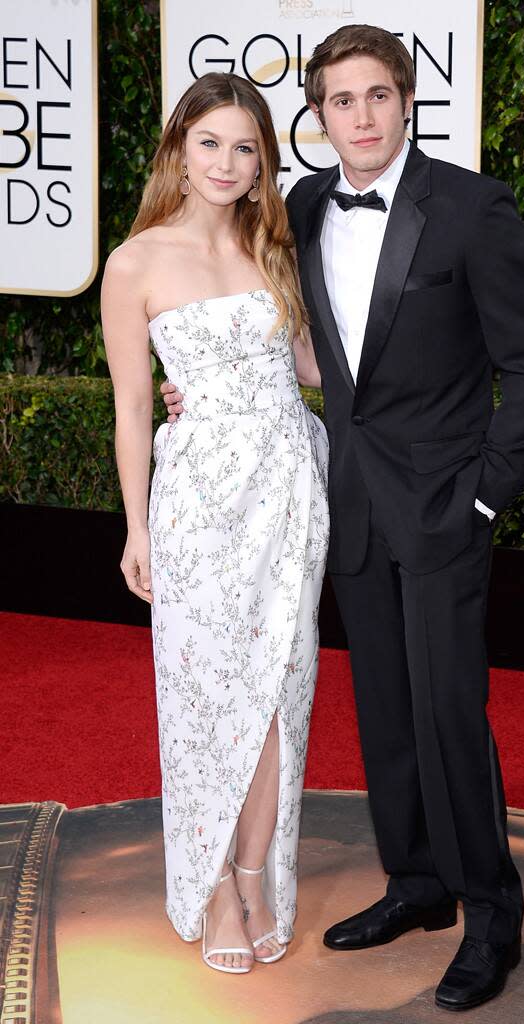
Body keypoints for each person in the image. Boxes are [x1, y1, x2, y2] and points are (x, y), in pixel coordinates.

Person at [162, 25, 524, 1010]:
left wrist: (483, 492)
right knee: (383, 711)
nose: (362, 116)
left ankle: (488, 912)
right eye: (340, 101)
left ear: (407, 98)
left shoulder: (470, 207)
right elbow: (301, 355)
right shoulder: (298, 203)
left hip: (443, 505)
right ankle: (416, 883)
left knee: (445, 713)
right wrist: (202, 395)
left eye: (376, 95)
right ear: (317, 116)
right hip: (341, 501)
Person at [102, 72, 329, 976]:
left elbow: (316, 369)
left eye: (247, 147)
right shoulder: (135, 263)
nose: (228, 163)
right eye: (211, 144)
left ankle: (252, 870)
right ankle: (211, 886)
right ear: (179, 151)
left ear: (263, 159)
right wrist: (136, 530)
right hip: (195, 499)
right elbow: (128, 409)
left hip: (286, 492)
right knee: (203, 696)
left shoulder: (276, 245)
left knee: (279, 690)